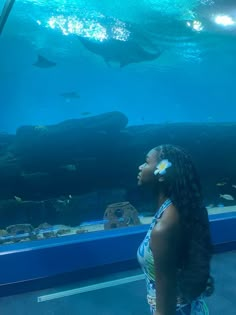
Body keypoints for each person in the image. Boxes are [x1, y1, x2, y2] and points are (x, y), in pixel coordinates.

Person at [137, 144, 214, 315]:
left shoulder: (165, 227)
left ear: (161, 175)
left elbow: (165, 310)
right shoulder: (182, 211)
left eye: (146, 162)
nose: (140, 167)